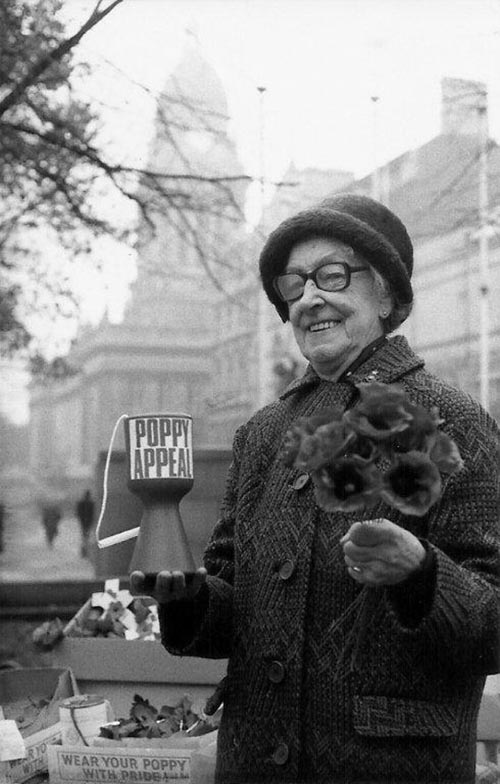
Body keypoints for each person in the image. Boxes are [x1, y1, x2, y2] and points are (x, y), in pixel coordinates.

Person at [131, 194, 500, 784]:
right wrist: (191, 600)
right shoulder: (264, 434)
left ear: (387, 295)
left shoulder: (452, 420)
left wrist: (421, 573)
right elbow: (231, 604)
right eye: (295, 283)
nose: (309, 297)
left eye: (332, 275)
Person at [76, 489, 95, 558]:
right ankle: (85, 552)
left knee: (85, 538)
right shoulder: (91, 504)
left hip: (84, 522)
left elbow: (78, 513)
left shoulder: (82, 503)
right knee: (86, 538)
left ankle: (84, 552)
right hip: (87, 522)